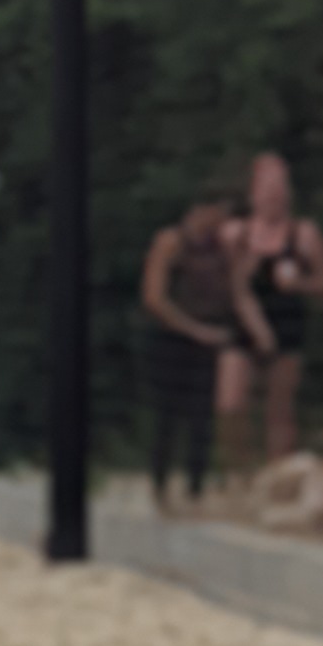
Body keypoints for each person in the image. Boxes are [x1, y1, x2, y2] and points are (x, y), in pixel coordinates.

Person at [222, 153, 323, 464]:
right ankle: (241, 468)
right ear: (252, 193)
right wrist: (241, 271)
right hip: (242, 324)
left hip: (287, 323)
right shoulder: (235, 234)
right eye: (267, 187)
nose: (273, 195)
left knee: (280, 410)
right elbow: (228, 286)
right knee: (230, 404)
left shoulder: (304, 234)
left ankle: (277, 475)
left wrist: (300, 284)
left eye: (279, 187)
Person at [139, 195, 243, 507]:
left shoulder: (221, 247)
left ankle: (195, 487)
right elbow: (154, 298)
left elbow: (236, 287)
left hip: (211, 335)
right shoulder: (171, 241)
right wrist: (194, 330)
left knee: (202, 416)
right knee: (167, 414)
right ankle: (160, 483)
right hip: (171, 336)